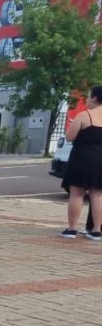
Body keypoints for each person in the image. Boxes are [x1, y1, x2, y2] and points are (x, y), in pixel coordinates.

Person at [60, 85, 102, 240]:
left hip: (82, 157)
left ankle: (71, 229)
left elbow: (69, 137)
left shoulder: (84, 116)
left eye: (89, 96)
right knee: (98, 195)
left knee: (77, 193)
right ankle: (96, 230)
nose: (87, 100)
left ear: (95, 98)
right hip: (100, 159)